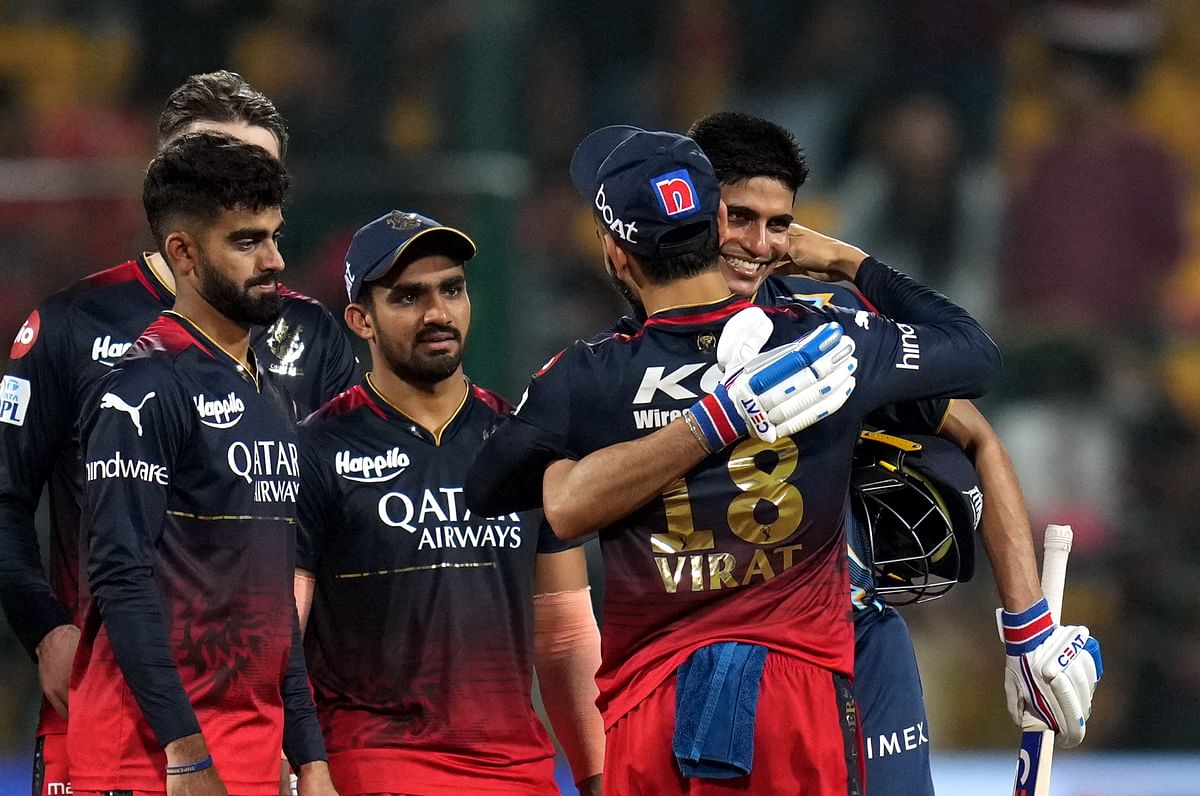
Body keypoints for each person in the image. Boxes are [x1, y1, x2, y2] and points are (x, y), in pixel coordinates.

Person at [466, 125, 1003, 794]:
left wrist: (608, 451)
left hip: (648, 703)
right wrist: (845, 262)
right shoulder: (824, 342)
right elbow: (973, 352)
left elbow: (486, 487)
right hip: (796, 695)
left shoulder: (585, 377)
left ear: (615, 253)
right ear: (719, 220)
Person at [686, 110, 1102, 792]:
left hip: (857, 649)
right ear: (695, 210)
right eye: (738, 217)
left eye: (780, 224)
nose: (758, 244)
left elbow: (975, 418)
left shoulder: (826, 330)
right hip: (708, 659)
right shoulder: (629, 354)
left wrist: (1029, 631)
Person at [0, 70, 357, 796]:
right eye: (211, 165)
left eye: (257, 173)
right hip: (115, 707)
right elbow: (7, 502)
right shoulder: (75, 324)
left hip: (264, 716)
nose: (234, 181)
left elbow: (326, 525)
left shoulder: (312, 337)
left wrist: (300, 728)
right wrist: (45, 628)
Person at [294, 211, 605, 795]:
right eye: (409, 296)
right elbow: (281, 637)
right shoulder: (314, 450)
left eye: (451, 289)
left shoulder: (526, 442)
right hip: (376, 769)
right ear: (361, 319)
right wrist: (309, 767)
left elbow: (564, 634)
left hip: (518, 775)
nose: (438, 312)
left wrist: (596, 776)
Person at [70, 132, 335, 796]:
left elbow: (274, 603)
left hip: (249, 752)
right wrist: (185, 753)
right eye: (246, 242)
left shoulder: (267, 392)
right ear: (183, 253)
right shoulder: (143, 387)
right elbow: (119, 577)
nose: (273, 259)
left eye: (274, 237)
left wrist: (311, 758)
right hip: (150, 759)